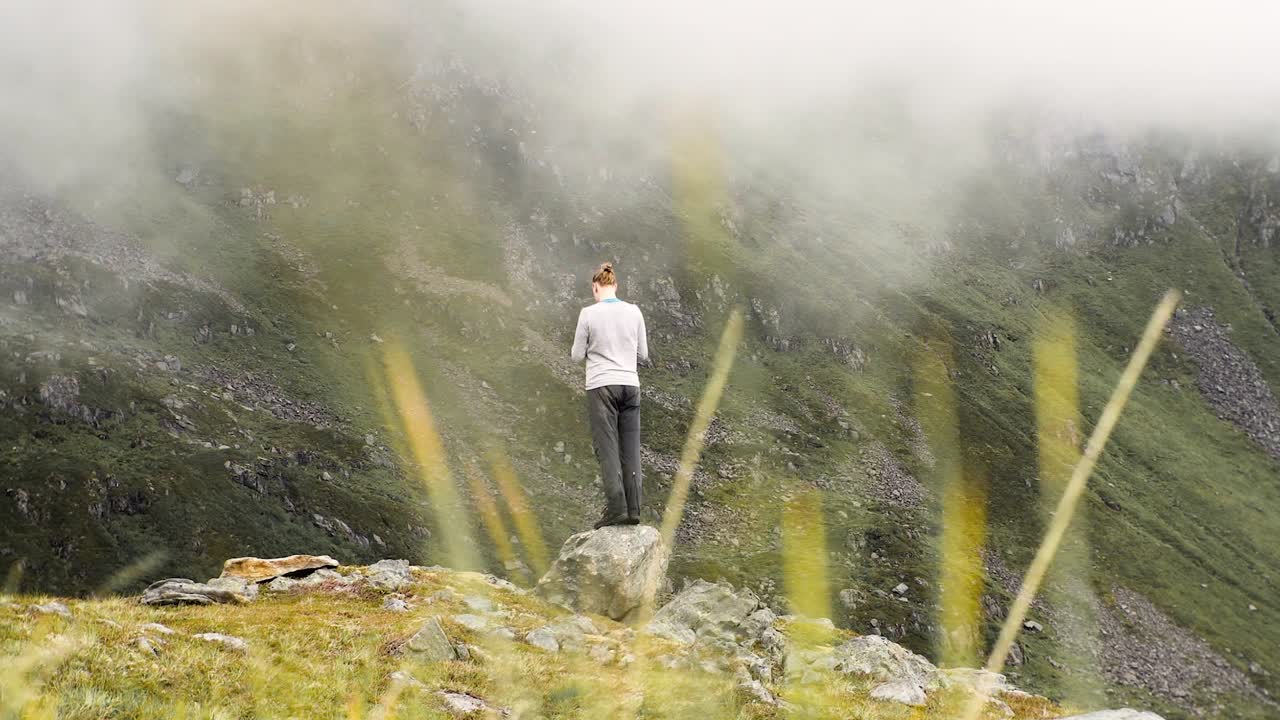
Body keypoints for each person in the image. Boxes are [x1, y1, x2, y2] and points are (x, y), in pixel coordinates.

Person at [570, 262, 649, 529]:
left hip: (601, 385)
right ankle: (634, 509)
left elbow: (576, 355)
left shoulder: (588, 314)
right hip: (630, 385)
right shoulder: (634, 312)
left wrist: (598, 348)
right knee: (631, 448)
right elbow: (643, 355)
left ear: (595, 288)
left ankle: (616, 508)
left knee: (608, 448)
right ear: (615, 286)